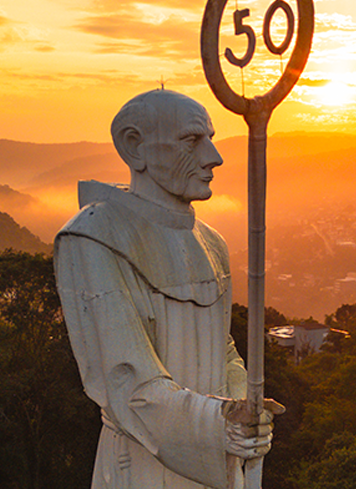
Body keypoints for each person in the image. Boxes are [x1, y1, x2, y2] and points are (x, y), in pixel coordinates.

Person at [54, 89, 279, 489]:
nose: (213, 157)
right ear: (134, 146)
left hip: (218, 463)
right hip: (141, 467)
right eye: (192, 140)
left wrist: (246, 406)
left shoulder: (212, 243)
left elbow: (221, 346)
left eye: (210, 138)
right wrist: (219, 422)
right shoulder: (92, 239)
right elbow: (126, 379)